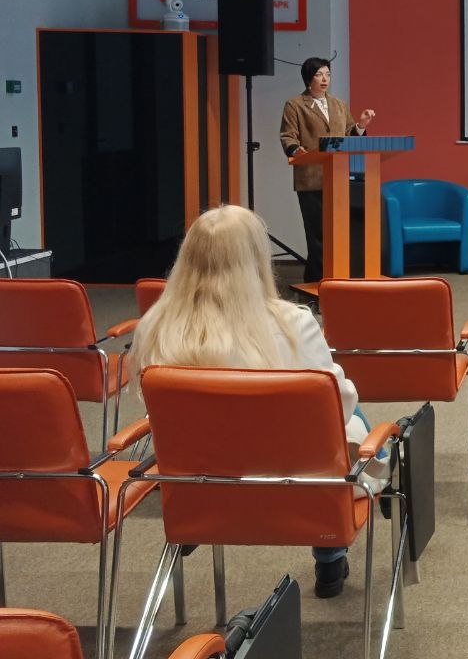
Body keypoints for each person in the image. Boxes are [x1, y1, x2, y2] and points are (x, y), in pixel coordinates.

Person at [128, 204, 371, 599]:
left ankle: (202, 523)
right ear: (257, 259)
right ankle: (329, 552)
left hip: (199, 486)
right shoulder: (293, 324)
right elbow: (337, 410)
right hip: (295, 487)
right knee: (348, 409)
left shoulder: (157, 328)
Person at [279, 57, 376, 283]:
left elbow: (349, 134)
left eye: (328, 74)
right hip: (311, 178)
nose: (325, 79)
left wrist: (361, 125)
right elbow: (288, 135)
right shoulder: (295, 105)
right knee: (318, 235)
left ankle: (338, 282)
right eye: (319, 74)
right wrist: (295, 149)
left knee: (339, 233)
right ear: (308, 78)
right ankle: (316, 284)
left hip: (339, 177)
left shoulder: (339, 104)